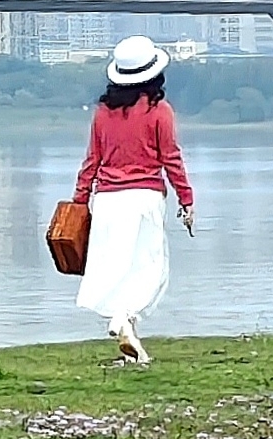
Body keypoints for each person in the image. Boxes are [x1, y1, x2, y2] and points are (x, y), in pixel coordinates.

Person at [71, 36, 195, 365]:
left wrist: (79, 200)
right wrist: (187, 198)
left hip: (108, 201)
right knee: (150, 269)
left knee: (117, 269)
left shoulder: (102, 114)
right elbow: (171, 158)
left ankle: (131, 345)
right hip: (145, 198)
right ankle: (123, 320)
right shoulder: (160, 112)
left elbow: (91, 162)